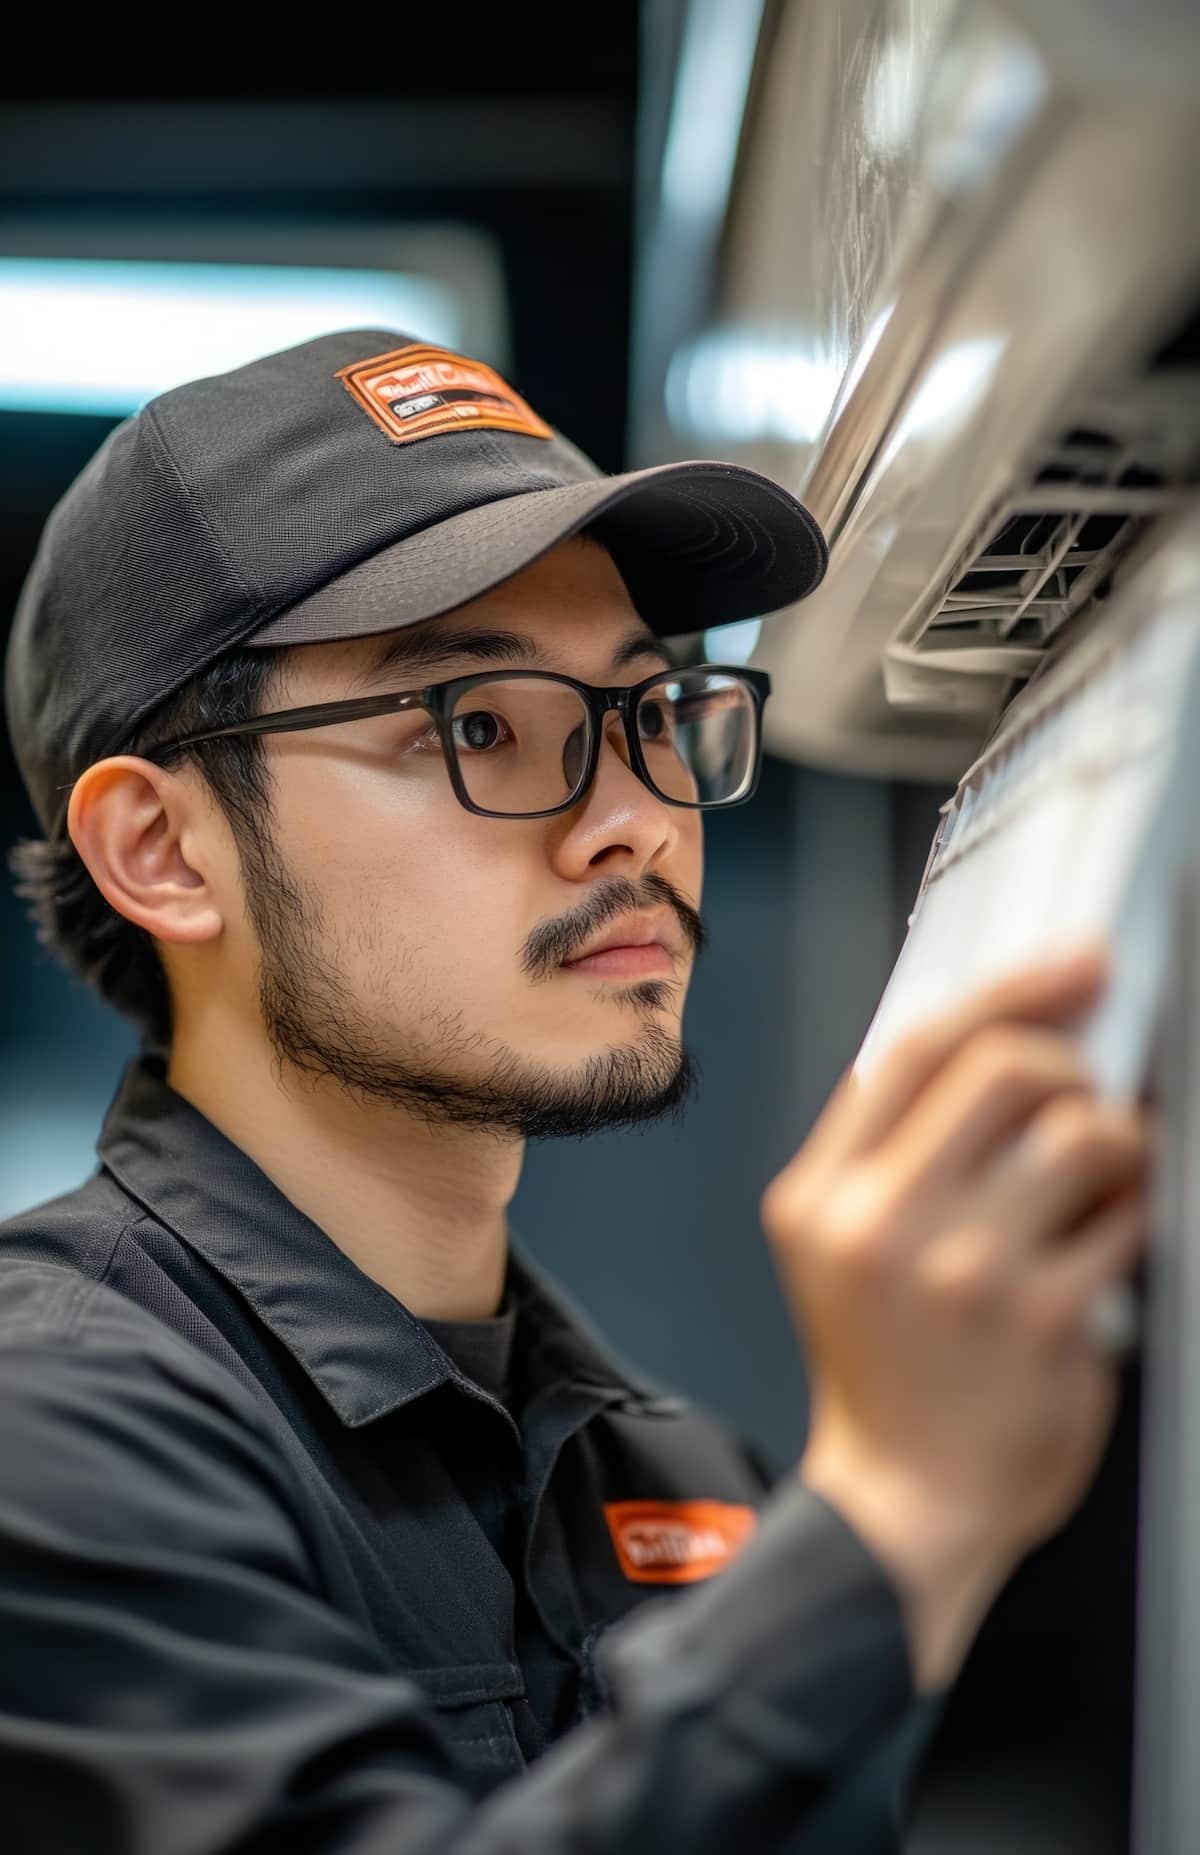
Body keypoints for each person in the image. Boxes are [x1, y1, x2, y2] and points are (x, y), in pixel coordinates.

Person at [0, 331, 1151, 1852]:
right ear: (162, 849)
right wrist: (889, 1521)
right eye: (477, 722)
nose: (636, 823)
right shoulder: (55, 1435)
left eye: (651, 712)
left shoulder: (677, 1474)